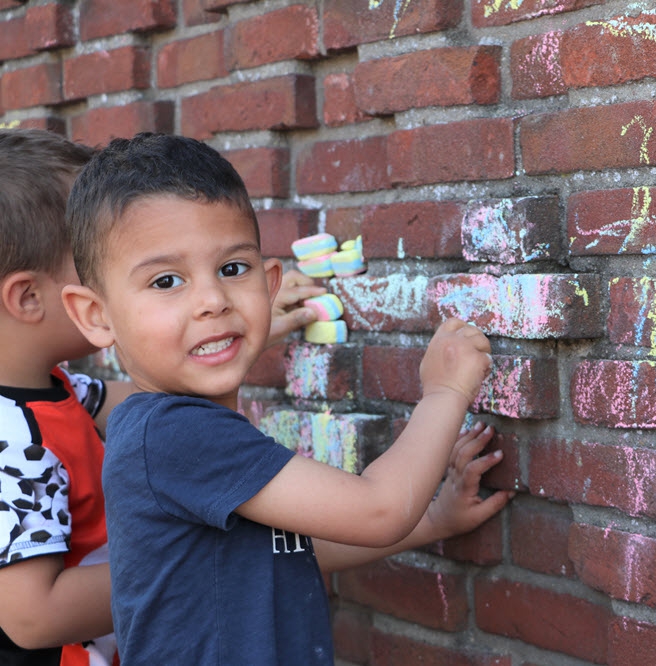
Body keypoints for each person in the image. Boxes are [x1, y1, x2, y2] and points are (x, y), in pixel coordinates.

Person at [60, 133, 506, 664]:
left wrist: (433, 519)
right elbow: (379, 510)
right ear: (96, 316)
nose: (212, 301)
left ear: (269, 284)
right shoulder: (175, 434)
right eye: (166, 281)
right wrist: (446, 390)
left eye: (232, 269)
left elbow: (282, 554)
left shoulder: (183, 432)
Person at [0, 128, 326, 665]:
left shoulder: (59, 390)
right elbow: (33, 616)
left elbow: (150, 385)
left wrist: (234, 330)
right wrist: (180, 564)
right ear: (31, 297)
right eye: (89, 254)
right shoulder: (12, 439)